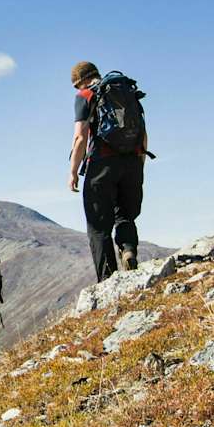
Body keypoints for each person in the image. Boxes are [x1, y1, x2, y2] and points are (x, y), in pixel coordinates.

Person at [68, 61, 148, 281]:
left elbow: (80, 137)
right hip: (132, 161)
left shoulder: (86, 95)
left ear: (80, 81)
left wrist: (73, 171)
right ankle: (128, 249)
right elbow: (142, 130)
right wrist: (139, 161)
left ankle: (107, 280)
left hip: (102, 164)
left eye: (76, 86)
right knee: (126, 215)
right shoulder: (124, 90)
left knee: (98, 226)